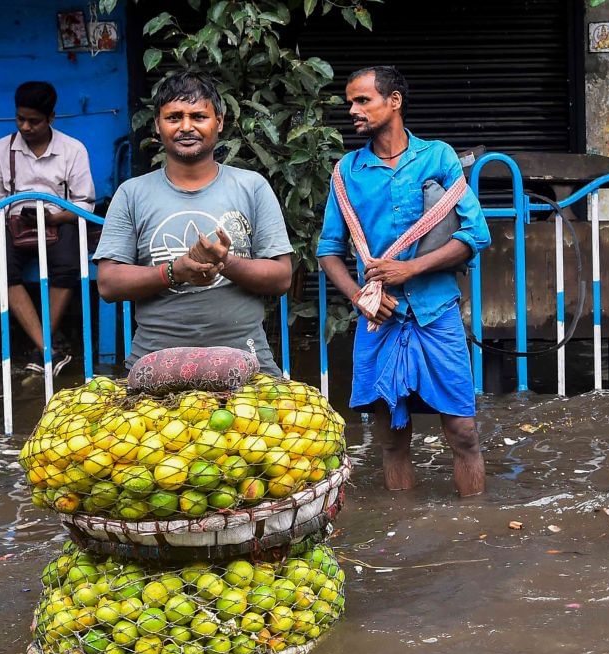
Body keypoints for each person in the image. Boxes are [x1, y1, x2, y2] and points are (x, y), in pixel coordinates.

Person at [317, 66, 491, 497]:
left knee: (463, 431)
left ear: (393, 102)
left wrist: (411, 269)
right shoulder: (347, 172)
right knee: (391, 440)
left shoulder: (438, 157)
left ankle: (474, 527)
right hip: (380, 318)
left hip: (437, 314)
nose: (353, 111)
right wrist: (360, 297)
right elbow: (328, 251)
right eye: (350, 103)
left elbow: (475, 235)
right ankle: (403, 537)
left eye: (363, 101)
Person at [93, 71, 292, 374]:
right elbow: (108, 283)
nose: (186, 127)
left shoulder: (252, 186)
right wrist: (175, 271)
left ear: (219, 122)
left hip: (248, 364)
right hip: (155, 366)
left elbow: (281, 278)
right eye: (174, 117)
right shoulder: (132, 193)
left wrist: (226, 262)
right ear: (158, 125)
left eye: (198, 116)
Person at [0, 81, 96, 376]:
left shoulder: (72, 150)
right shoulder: (1, 150)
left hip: (59, 223)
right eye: (20, 118)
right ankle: (50, 351)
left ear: (51, 118)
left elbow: (84, 204)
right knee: (2, 270)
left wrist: (53, 218)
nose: (25, 126)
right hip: (15, 226)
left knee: (67, 265)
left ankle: (43, 352)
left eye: (34, 120)